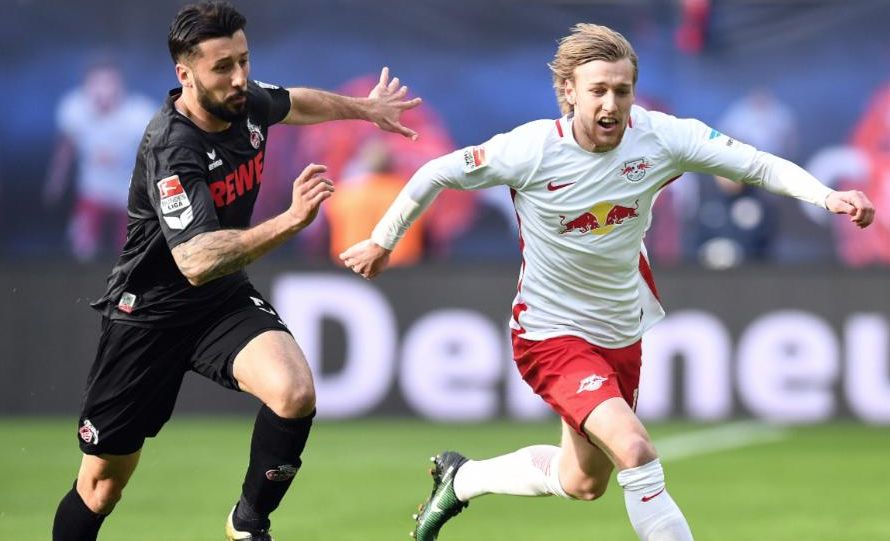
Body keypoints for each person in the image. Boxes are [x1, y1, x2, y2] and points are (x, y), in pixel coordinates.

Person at [340, 23, 875, 541]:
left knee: (582, 482)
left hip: (621, 331)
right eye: (598, 91)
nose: (611, 105)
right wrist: (384, 241)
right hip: (550, 333)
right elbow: (435, 172)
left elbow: (755, 165)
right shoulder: (529, 150)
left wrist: (826, 196)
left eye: (622, 91)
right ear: (569, 93)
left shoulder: (661, 137)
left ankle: (463, 480)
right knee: (636, 450)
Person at [51, 3, 420, 541]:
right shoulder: (172, 146)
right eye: (223, 66)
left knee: (294, 392)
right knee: (101, 486)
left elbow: (295, 102)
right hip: (148, 315)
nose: (239, 76)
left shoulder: (243, 100)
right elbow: (196, 260)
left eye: (244, 60)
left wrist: (364, 110)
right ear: (185, 75)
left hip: (219, 300)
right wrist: (292, 220)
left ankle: (247, 524)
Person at [44, 57, 156, 261]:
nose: (102, 90)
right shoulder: (75, 108)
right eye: (95, 83)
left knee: (130, 249)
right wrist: (56, 180)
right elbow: (66, 146)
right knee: (82, 244)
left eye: (108, 83)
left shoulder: (139, 114)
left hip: (128, 192)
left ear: (120, 85)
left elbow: (157, 153)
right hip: (92, 188)